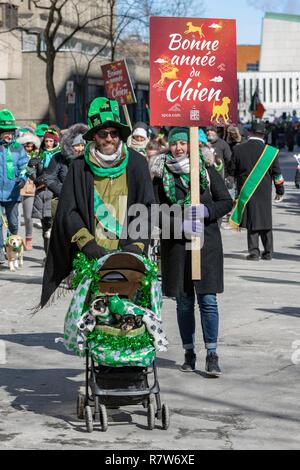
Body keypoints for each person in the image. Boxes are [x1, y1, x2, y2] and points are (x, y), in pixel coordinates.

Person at [40, 97, 155, 308]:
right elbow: (69, 211)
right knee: (95, 315)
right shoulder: (79, 166)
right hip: (92, 254)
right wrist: (87, 244)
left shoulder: (137, 163)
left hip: (129, 251)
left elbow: (146, 207)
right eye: (103, 134)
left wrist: (137, 245)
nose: (109, 138)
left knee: (127, 317)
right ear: (94, 136)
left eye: (114, 133)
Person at [153, 127, 232, 376]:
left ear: (192, 146)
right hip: (176, 246)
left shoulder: (206, 171)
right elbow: (154, 211)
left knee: (208, 300)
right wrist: (179, 221)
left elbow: (226, 201)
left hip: (206, 244)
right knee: (184, 302)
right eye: (175, 144)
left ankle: (212, 354)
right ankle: (189, 352)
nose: (179, 148)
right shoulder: (160, 174)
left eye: (184, 144)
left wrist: (207, 212)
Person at [229, 121, 285, 261]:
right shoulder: (271, 152)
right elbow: (277, 174)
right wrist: (280, 190)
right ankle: (268, 252)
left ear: (249, 133)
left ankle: (254, 252)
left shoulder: (238, 149)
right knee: (265, 220)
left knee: (252, 220)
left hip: (247, 190)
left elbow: (231, 171)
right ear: (264, 135)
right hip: (264, 192)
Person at [0, 109, 28, 264]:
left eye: (10, 131)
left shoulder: (18, 147)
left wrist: (23, 178)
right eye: (4, 132)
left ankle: (12, 249)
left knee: (13, 223)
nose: (8, 135)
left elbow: (24, 165)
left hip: (13, 192)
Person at [44, 123, 88, 217]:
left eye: (82, 145)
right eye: (77, 145)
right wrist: (65, 191)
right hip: (64, 202)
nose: (80, 149)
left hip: (85, 202)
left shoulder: (89, 159)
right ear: (70, 145)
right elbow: (49, 178)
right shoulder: (59, 157)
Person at [30, 127, 61, 257]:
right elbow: (32, 175)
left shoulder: (60, 157)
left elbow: (62, 176)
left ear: (55, 142)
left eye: (51, 141)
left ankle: (54, 255)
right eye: (47, 141)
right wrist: (31, 169)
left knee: (54, 228)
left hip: (54, 195)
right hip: (41, 194)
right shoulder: (40, 156)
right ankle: (47, 255)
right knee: (45, 229)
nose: (49, 144)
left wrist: (56, 186)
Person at [17, 131, 41, 250]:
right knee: (15, 216)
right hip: (17, 185)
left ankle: (29, 238)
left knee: (27, 216)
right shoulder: (18, 154)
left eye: (30, 145)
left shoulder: (37, 155)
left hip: (30, 186)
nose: (28, 147)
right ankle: (13, 238)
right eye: (26, 145)